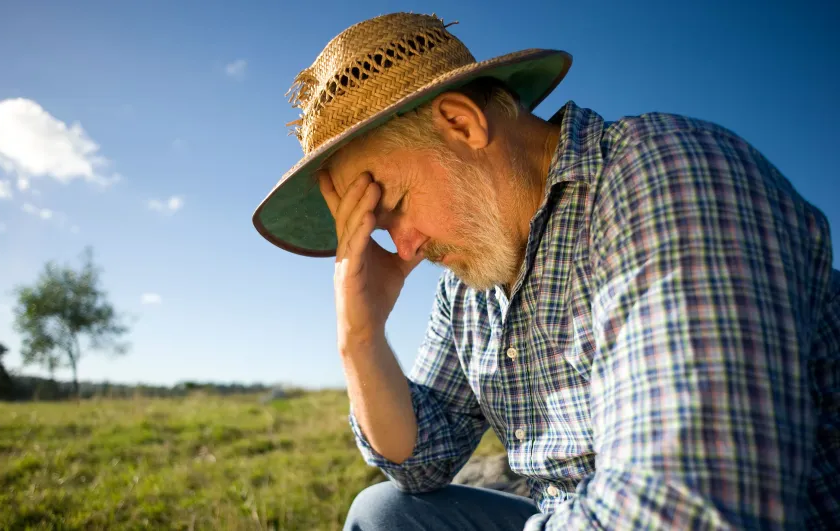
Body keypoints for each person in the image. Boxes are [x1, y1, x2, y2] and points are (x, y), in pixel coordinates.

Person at [251, 12, 840, 531]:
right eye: (380, 227)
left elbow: (684, 508)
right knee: (387, 515)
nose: (403, 250)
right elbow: (420, 458)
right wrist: (361, 337)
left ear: (462, 123)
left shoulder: (663, 176)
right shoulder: (471, 283)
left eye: (397, 205)